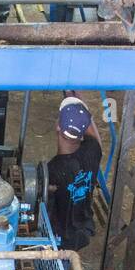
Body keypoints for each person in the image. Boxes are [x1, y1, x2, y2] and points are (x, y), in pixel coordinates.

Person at [44, 96, 102, 251]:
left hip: (60, 237)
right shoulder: (93, 149)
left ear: (58, 126)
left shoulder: (52, 170)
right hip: (83, 227)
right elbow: (89, 129)